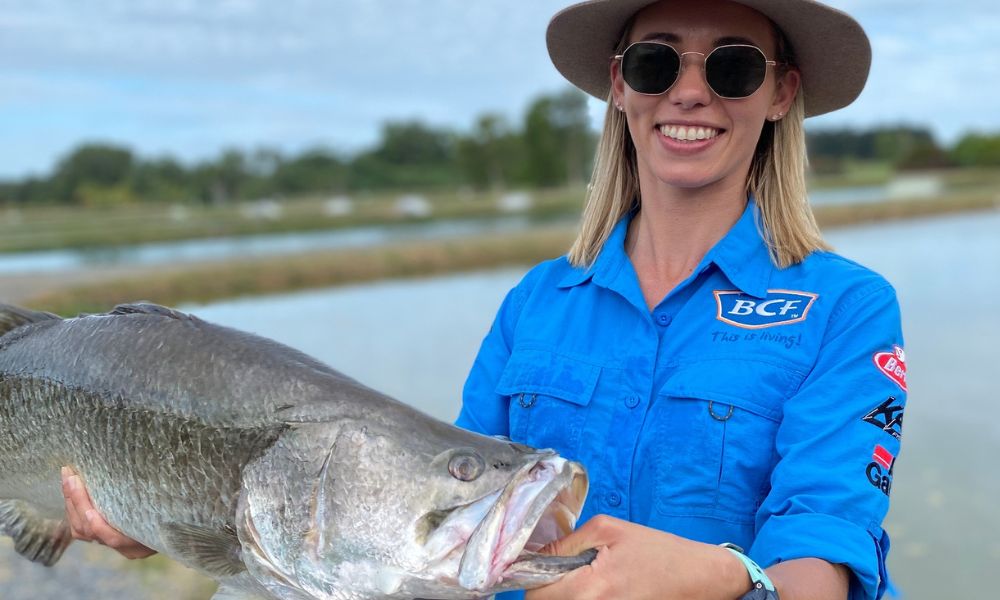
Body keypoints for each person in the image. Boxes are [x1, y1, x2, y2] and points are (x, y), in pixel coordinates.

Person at [63, 0, 907, 599]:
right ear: (620, 86)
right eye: (656, 61)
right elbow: (441, 525)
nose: (690, 93)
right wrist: (178, 515)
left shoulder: (848, 309)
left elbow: (821, 566)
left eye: (732, 65)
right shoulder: (535, 303)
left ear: (781, 92)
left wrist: (726, 578)